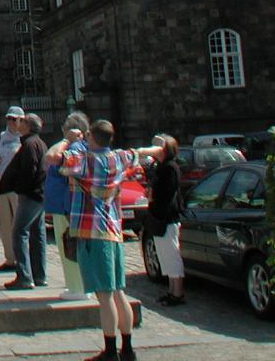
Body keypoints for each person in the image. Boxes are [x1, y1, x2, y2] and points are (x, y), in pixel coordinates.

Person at [50, 119, 164, 361]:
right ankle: (128, 348)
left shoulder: (85, 161)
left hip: (92, 233)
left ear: (91, 137)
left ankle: (111, 350)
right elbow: (142, 152)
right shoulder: (118, 158)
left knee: (104, 295)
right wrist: (159, 147)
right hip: (114, 232)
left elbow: (52, 158)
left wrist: (66, 140)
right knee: (118, 292)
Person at [44, 112, 90, 301]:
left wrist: (65, 140)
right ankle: (76, 285)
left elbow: (51, 157)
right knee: (69, 246)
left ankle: (77, 287)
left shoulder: (74, 149)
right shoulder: (80, 148)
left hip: (66, 205)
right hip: (64, 204)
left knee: (68, 247)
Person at [0, 112, 48, 290]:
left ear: (27, 125)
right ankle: (39, 275)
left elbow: (29, 170)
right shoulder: (39, 142)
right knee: (38, 235)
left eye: (21, 120)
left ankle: (25, 277)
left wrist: (20, 188)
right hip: (39, 194)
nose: (17, 122)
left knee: (19, 232)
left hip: (31, 194)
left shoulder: (29, 144)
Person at [146, 134, 185, 307]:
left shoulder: (170, 167)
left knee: (172, 255)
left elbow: (167, 193)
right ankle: (171, 290)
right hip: (159, 215)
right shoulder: (160, 166)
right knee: (164, 256)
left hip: (168, 216)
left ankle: (178, 292)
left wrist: (153, 197)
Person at [0, 106, 24, 272]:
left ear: (21, 120)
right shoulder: (0, 138)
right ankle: (10, 258)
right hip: (1, 180)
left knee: (19, 221)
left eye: (14, 119)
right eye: (9, 118)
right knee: (4, 222)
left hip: (18, 183)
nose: (11, 122)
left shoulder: (24, 137)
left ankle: (23, 258)